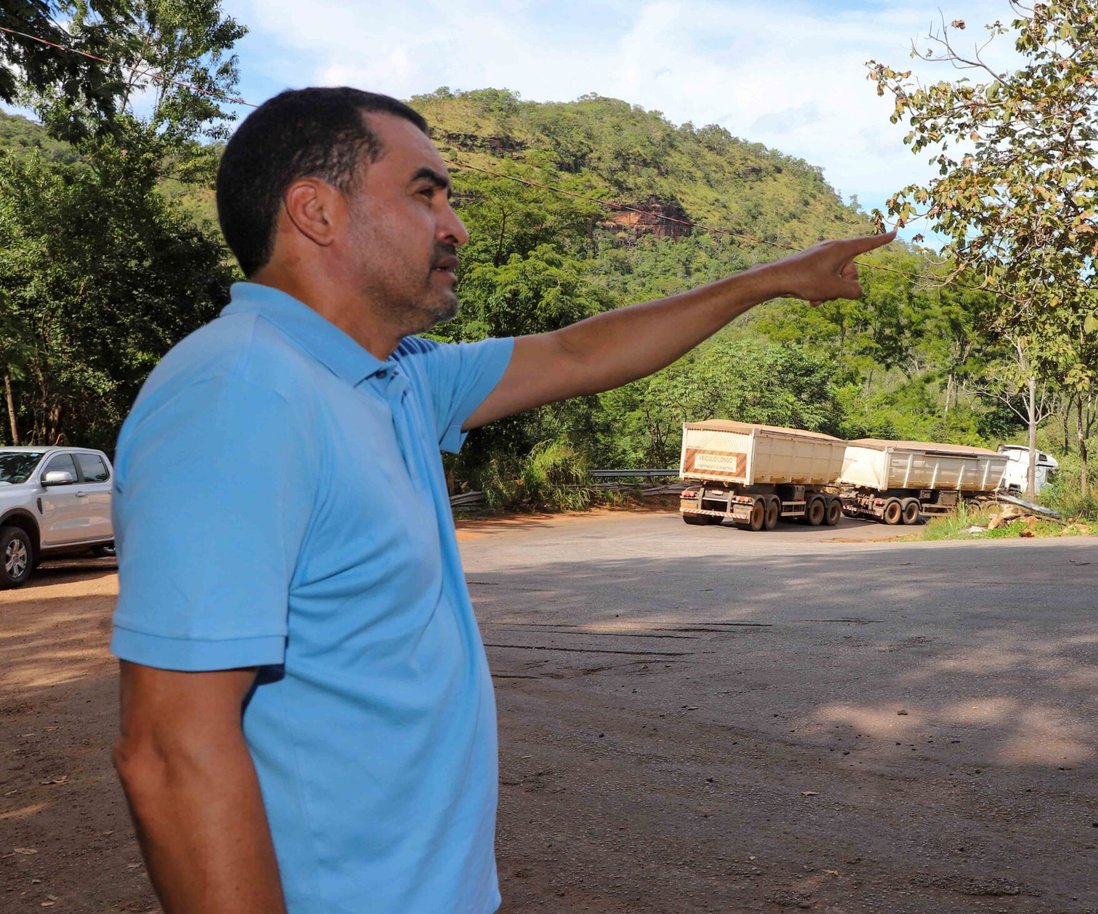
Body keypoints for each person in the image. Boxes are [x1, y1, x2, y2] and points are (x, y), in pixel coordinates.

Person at [109, 86, 891, 914]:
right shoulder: (241, 396)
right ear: (317, 211)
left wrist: (773, 279)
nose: (456, 228)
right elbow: (169, 750)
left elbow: (576, 353)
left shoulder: (396, 378)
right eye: (425, 194)